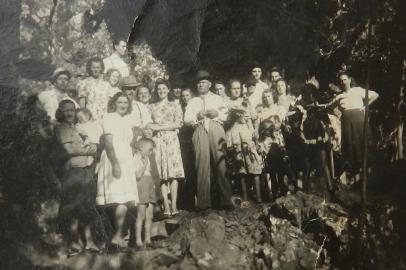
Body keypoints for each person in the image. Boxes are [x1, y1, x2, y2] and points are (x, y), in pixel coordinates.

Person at [54, 100, 102, 256]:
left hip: (84, 171)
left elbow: (94, 146)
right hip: (72, 173)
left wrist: (91, 148)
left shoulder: (75, 128)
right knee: (73, 207)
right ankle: (73, 244)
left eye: (72, 110)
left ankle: (88, 243)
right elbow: (69, 150)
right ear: (60, 112)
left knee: (85, 207)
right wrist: (89, 150)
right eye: (66, 110)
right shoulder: (61, 128)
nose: (69, 113)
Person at [184, 70, 233, 210]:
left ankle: (226, 200)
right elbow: (186, 120)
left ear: (210, 84)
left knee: (221, 163)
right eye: (198, 83)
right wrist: (197, 116)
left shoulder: (217, 98)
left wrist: (217, 113)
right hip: (199, 129)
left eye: (203, 82)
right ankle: (203, 202)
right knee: (201, 164)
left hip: (216, 127)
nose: (200, 85)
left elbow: (225, 114)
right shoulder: (193, 101)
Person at [96, 92, 139, 251]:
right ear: (114, 103)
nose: (122, 105)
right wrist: (115, 163)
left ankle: (118, 237)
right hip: (114, 156)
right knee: (119, 198)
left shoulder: (126, 120)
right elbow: (108, 142)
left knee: (126, 198)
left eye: (125, 102)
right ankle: (117, 237)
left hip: (126, 159)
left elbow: (129, 140)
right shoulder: (109, 117)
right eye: (120, 102)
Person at [328, 72, 379, 180]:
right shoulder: (339, 96)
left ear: (350, 80)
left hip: (359, 120)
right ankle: (355, 177)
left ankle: (367, 175)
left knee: (362, 144)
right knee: (351, 148)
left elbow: (375, 95)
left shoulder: (357, 90)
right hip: (346, 121)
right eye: (341, 81)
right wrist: (338, 112)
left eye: (345, 79)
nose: (343, 82)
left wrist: (365, 106)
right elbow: (329, 106)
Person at [149, 79, 185, 217]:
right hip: (158, 141)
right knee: (162, 174)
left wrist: (161, 127)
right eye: (159, 89)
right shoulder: (151, 107)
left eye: (164, 88)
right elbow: (147, 124)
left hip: (171, 140)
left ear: (168, 90)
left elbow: (179, 123)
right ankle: (166, 205)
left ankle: (174, 204)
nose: (161, 91)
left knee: (173, 173)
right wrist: (156, 128)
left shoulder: (174, 105)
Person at [226, 106, 263, 205]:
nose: (246, 117)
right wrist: (237, 150)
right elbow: (233, 141)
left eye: (247, 116)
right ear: (237, 116)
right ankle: (245, 199)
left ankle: (259, 198)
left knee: (255, 173)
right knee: (242, 174)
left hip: (251, 152)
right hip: (240, 152)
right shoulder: (234, 127)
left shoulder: (248, 126)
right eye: (243, 115)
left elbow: (254, 137)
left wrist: (256, 143)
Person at [132, 138, 156, 249]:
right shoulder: (136, 159)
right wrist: (145, 163)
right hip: (141, 185)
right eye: (149, 150)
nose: (151, 152)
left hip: (149, 184)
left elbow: (149, 172)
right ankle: (138, 240)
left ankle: (148, 239)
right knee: (141, 214)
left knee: (149, 215)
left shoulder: (147, 158)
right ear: (141, 147)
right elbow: (137, 175)